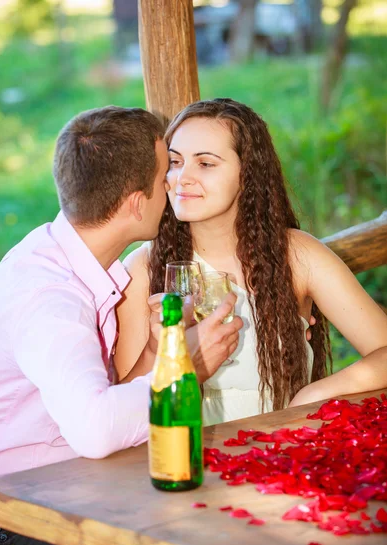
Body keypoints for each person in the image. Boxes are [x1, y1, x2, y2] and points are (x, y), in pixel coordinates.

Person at [0, 106, 242, 545]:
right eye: (166, 172)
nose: (175, 183)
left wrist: (159, 349)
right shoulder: (49, 295)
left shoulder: (69, 258)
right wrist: (189, 366)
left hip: (61, 489)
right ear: (137, 203)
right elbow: (94, 429)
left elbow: (95, 401)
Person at [115, 98, 387, 426]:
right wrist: (158, 351)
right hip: (183, 461)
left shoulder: (297, 255)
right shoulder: (144, 268)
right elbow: (119, 408)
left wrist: (313, 396)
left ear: (248, 174)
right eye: (174, 162)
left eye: (205, 163)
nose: (182, 178)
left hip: (282, 454)